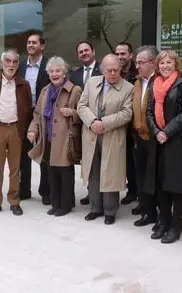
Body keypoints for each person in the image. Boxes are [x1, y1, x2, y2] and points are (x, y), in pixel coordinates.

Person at [146, 50, 182, 244]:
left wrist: (167, 131)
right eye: (161, 63)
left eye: (169, 62)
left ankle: (176, 225)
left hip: (177, 141)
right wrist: (156, 132)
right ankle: (163, 221)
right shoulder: (155, 83)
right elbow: (149, 112)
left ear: (175, 64)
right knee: (160, 184)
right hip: (158, 141)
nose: (165, 66)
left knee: (175, 186)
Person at [77, 54, 133, 225]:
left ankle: (110, 210)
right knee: (94, 171)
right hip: (91, 134)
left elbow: (127, 113)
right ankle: (95, 208)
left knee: (110, 172)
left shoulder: (128, 88)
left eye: (117, 69)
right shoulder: (92, 82)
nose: (114, 73)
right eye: (109, 70)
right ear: (102, 71)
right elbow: (81, 105)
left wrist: (104, 123)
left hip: (112, 136)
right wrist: (92, 122)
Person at [28, 56, 82, 217]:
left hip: (66, 138)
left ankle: (66, 205)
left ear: (64, 72)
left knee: (65, 172)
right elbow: (37, 114)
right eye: (51, 71)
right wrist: (33, 130)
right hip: (48, 137)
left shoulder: (75, 90)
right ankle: (55, 203)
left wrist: (73, 112)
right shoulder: (45, 91)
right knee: (51, 172)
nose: (54, 74)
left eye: (58, 70)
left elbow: (85, 113)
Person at [0, 50, 32, 217]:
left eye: (15, 62)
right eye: (8, 61)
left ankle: (14, 201)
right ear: (2, 63)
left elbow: (28, 108)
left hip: (16, 129)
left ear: (18, 64)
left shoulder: (24, 85)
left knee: (15, 168)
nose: (11, 65)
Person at [19, 30, 51, 204]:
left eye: (34, 42)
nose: (30, 45)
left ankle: (45, 191)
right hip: (23, 114)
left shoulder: (48, 66)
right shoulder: (21, 66)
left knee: (43, 152)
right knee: (24, 154)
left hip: (43, 115)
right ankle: (24, 189)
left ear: (42, 46)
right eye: (29, 42)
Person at [69, 40, 101, 207]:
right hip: (81, 123)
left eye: (86, 50)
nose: (84, 53)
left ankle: (103, 194)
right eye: (80, 52)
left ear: (93, 51)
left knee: (100, 159)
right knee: (87, 159)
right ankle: (91, 192)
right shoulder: (74, 75)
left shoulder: (103, 70)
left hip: (100, 123)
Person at [131, 45, 159, 227]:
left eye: (141, 62)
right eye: (137, 63)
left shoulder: (159, 83)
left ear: (153, 63)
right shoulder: (138, 83)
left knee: (153, 178)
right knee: (141, 175)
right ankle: (145, 208)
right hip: (139, 137)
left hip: (155, 138)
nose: (138, 66)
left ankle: (155, 212)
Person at [116, 42, 138, 205]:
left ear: (131, 55)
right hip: (116, 125)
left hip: (133, 127)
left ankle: (134, 191)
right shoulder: (113, 73)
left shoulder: (136, 74)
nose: (120, 57)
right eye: (117, 54)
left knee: (133, 161)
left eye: (123, 53)